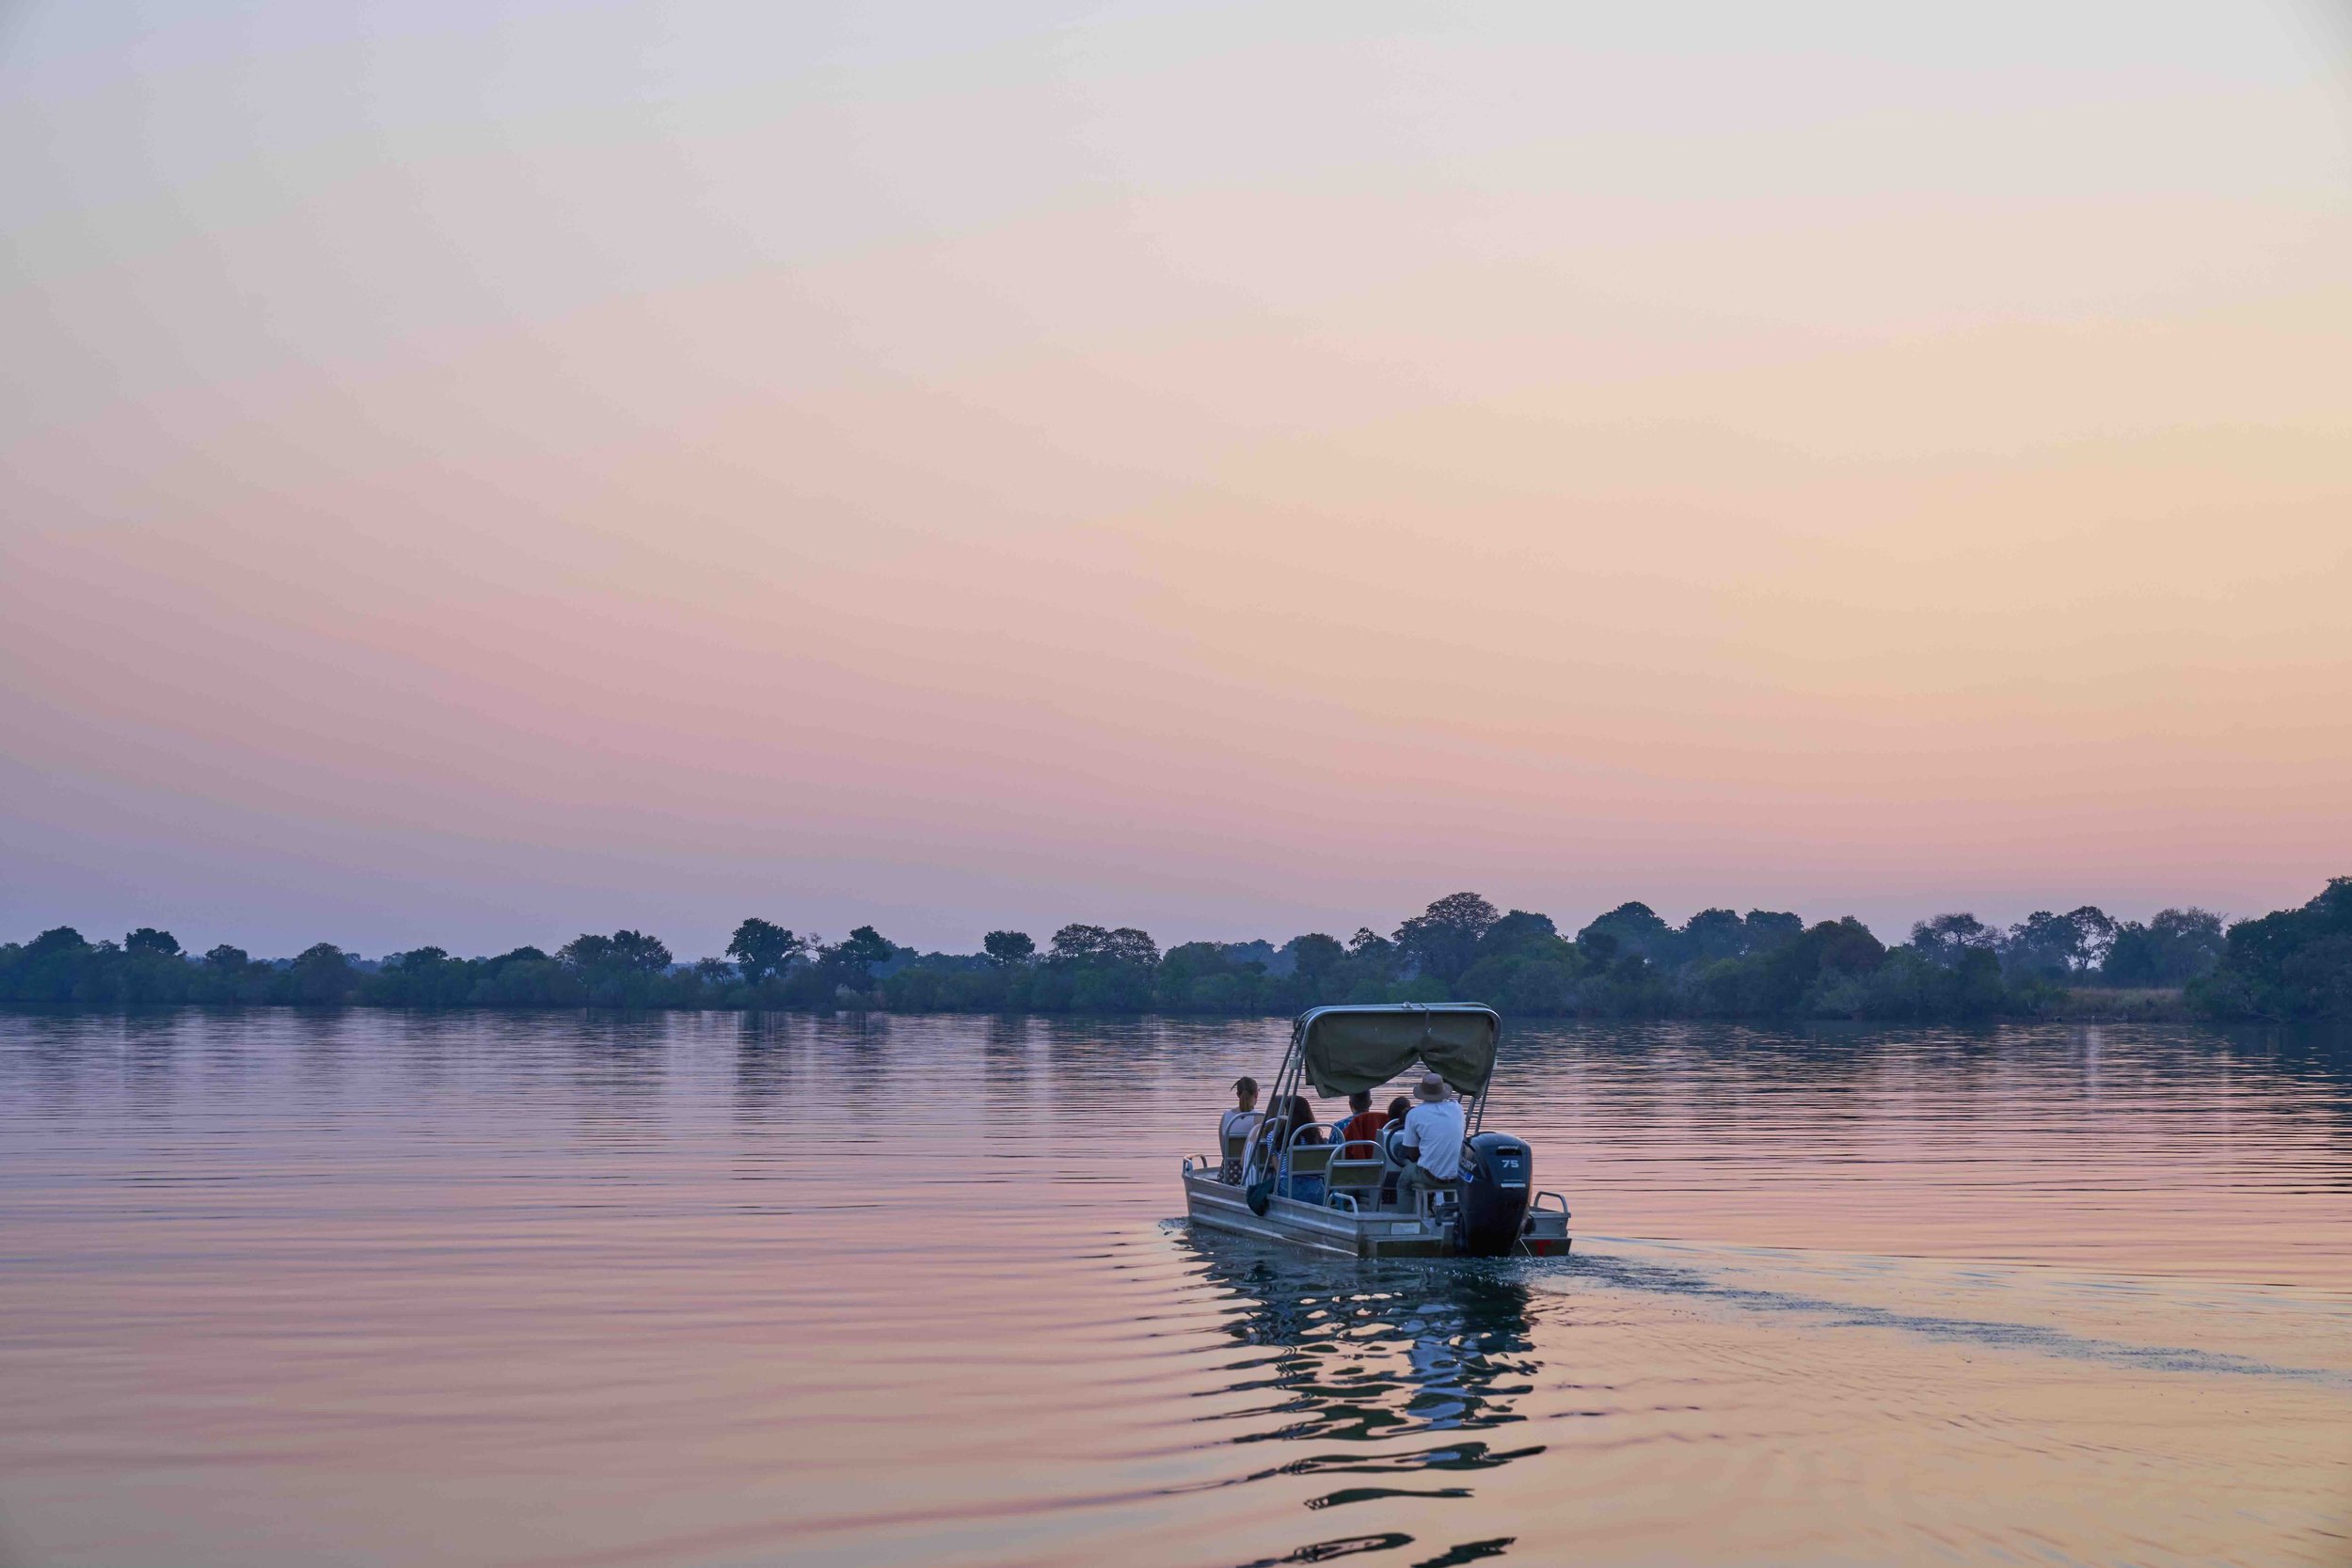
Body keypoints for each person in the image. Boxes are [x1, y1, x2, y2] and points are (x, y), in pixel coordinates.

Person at [1395, 1072, 1466, 1206]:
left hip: (1430, 1178)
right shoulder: (1457, 1108)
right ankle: (1451, 1216)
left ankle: (1406, 1223)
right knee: (1448, 1168)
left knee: (1404, 1180)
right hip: (1458, 1177)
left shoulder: (1414, 1114)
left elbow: (1413, 1155)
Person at [1333, 1089, 1386, 1157]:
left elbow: (1330, 1152)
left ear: (1350, 1104)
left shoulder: (1338, 1127)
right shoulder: (1383, 1125)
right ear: (1370, 1103)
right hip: (1377, 1165)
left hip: (1347, 1166)